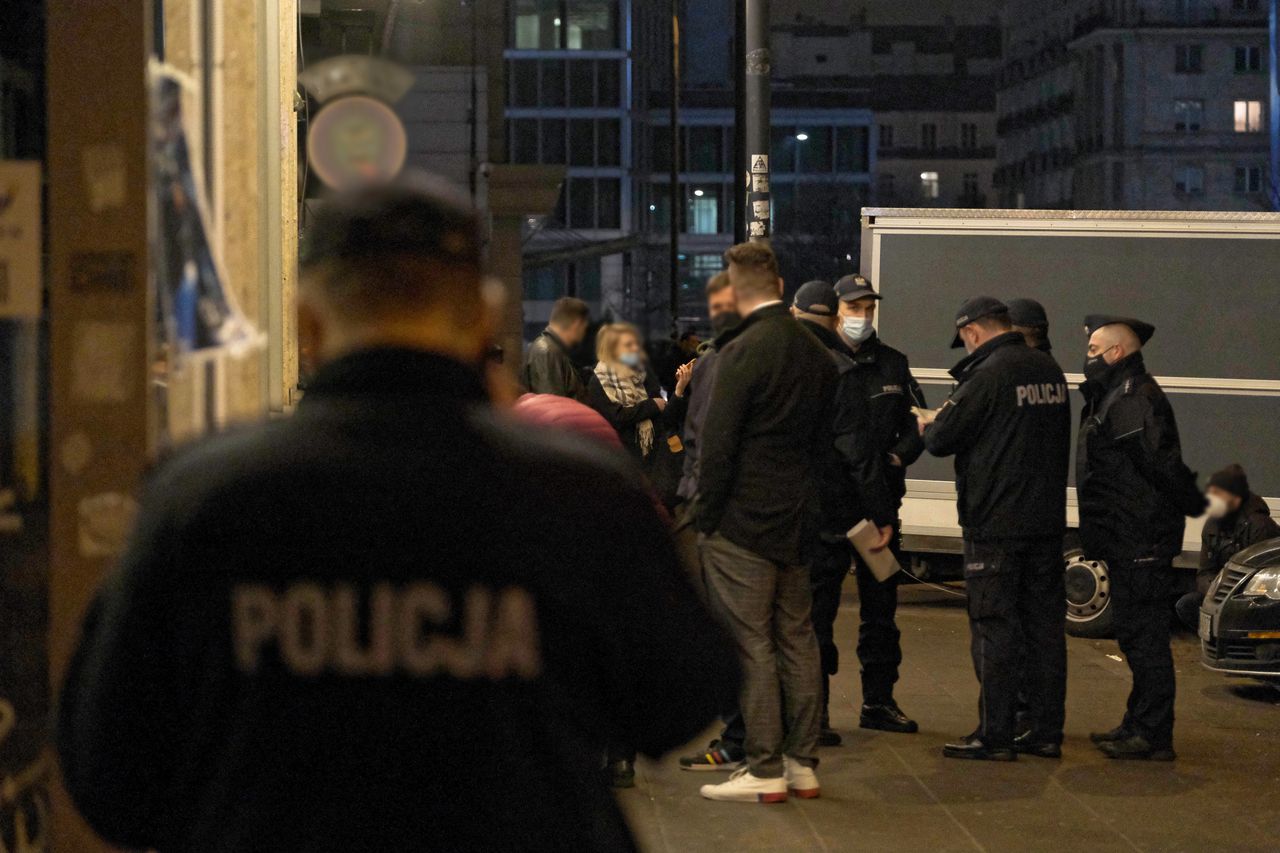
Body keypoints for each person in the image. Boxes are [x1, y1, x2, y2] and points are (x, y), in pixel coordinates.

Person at [56, 176, 740, 852]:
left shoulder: (201, 496)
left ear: (305, 322)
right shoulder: (577, 488)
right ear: (479, 317)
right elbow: (679, 697)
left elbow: (110, 772)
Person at [695, 242, 838, 803]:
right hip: (799, 520)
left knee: (751, 643)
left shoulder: (742, 351)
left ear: (734, 293)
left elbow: (718, 446)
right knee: (798, 639)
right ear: (779, 286)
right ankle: (803, 764)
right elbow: (825, 448)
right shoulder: (816, 354)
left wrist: (706, 519)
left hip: (743, 523)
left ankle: (763, 767)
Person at [920, 296, 1071, 762]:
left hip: (996, 524)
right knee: (1045, 629)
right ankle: (1046, 732)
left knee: (994, 628)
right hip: (1045, 521)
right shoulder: (1049, 370)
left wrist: (930, 420)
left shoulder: (988, 374)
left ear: (973, 332)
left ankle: (995, 734)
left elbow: (940, 438)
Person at [1076, 315, 1206, 760]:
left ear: (1116, 353)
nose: (1087, 357)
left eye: (1094, 350)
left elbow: (1158, 467)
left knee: (1145, 638)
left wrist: (1159, 524)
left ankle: (1152, 734)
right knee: (1134, 635)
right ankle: (1137, 722)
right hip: (1128, 535)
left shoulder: (1132, 398)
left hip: (1139, 538)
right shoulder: (1116, 394)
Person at [823, 274, 925, 738]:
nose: (862, 316)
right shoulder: (820, 362)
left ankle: (879, 702)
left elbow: (918, 423)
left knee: (881, 613)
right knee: (817, 614)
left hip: (881, 513)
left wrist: (901, 454)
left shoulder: (894, 364)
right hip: (830, 513)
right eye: (854, 307)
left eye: (868, 307)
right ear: (837, 310)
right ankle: (816, 711)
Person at [676, 272, 751, 772]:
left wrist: (699, 510)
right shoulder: (800, 353)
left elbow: (705, 443)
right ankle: (775, 745)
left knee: (731, 629)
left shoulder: (720, 362)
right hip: (770, 517)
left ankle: (739, 740)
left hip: (720, 514)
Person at [587, 323, 690, 499]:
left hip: (655, 460)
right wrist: (651, 405)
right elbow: (616, 417)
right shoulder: (600, 380)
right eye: (628, 345)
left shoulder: (642, 373)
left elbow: (665, 418)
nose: (635, 348)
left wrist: (679, 390)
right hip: (621, 465)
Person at [1175, 464, 1279, 630]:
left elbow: (1261, 582)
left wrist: (1228, 596)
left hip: (1248, 597)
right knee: (1186, 605)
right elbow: (1204, 572)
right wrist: (1215, 592)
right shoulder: (1212, 525)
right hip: (1219, 593)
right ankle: (1213, 640)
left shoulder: (1260, 527)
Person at [522, 296, 590, 400]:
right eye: (584, 328)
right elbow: (551, 407)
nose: (584, 333)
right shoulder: (547, 352)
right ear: (577, 324)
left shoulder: (553, 351)